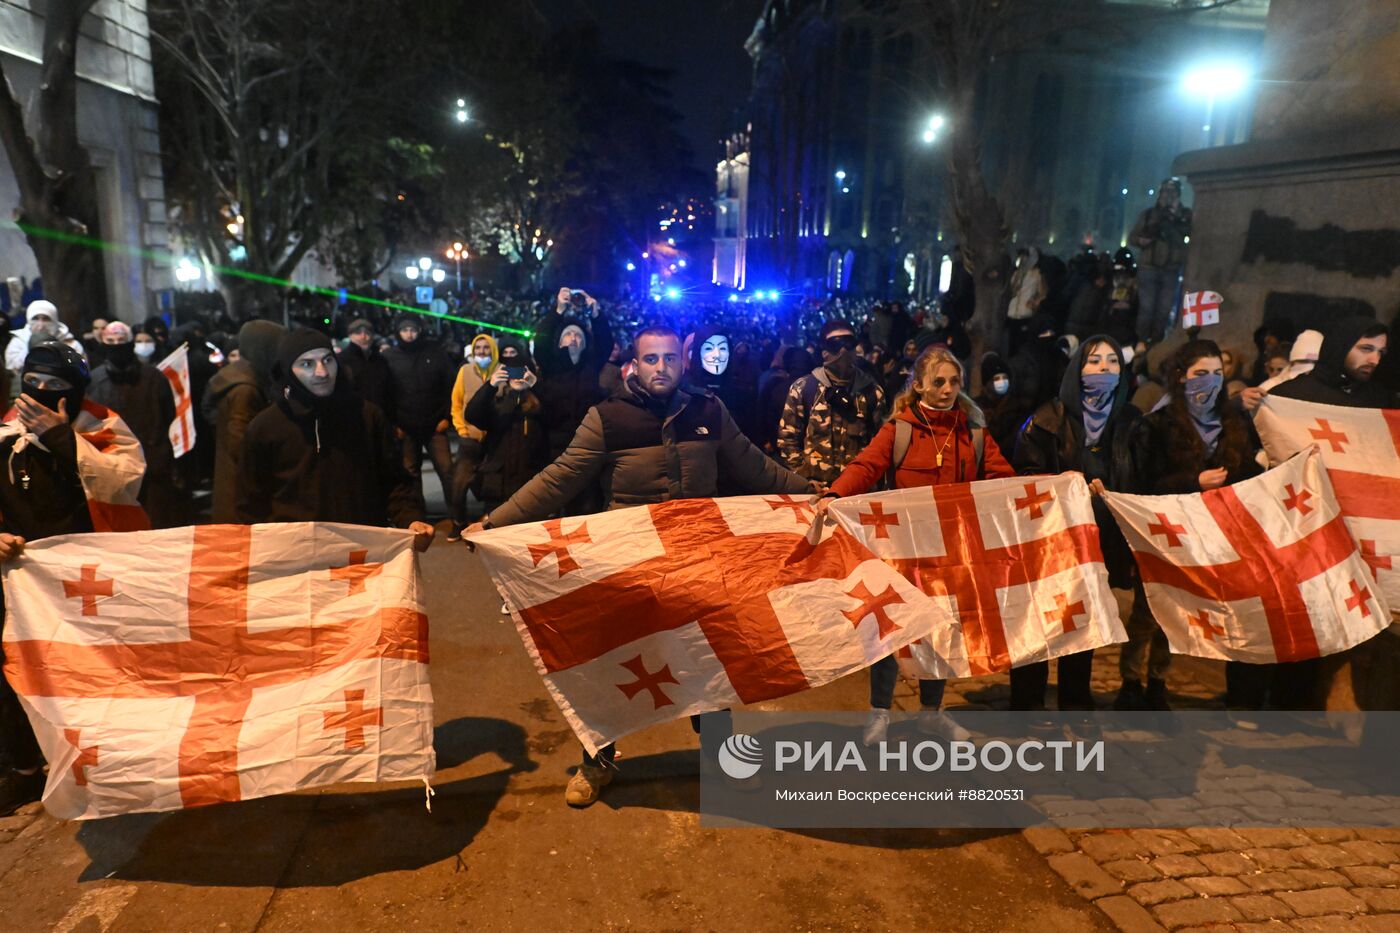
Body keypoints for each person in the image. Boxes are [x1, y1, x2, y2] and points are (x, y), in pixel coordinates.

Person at [465, 326, 816, 808]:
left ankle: (723, 760)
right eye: (651, 359)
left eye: (670, 358)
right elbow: (560, 478)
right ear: (634, 364)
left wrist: (817, 495)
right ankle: (598, 760)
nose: (662, 368)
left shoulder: (709, 410)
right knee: (610, 659)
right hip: (627, 562)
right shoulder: (606, 417)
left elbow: (756, 467)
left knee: (710, 658)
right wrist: (494, 521)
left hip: (698, 560)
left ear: (683, 361)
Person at [814, 347, 1012, 745]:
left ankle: (931, 714)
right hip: (902, 552)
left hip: (951, 554)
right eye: (938, 382)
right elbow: (866, 466)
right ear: (918, 384)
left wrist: (1052, 486)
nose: (947, 389)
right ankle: (879, 713)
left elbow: (1003, 478)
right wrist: (835, 494)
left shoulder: (972, 432)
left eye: (954, 382)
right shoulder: (900, 429)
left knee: (940, 630)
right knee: (892, 631)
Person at [0, 342, 147, 813]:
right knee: (22, 672)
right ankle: (26, 768)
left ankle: (110, 760)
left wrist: (64, 439)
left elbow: (123, 483)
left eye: (56, 386)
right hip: (20, 581)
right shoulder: (4, 432)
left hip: (88, 576)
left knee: (93, 669)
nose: (40, 393)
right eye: (33, 382)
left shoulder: (103, 426)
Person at [1012, 335, 1148, 713]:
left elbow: (1141, 478)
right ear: (1077, 370)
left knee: (1081, 622)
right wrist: (1069, 490)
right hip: (1051, 541)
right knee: (1040, 621)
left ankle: (1075, 699)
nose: (1104, 370)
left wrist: (1112, 493)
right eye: (1094, 362)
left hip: (1100, 542)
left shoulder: (1131, 423)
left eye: (1112, 362)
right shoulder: (1045, 421)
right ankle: (1027, 703)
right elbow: (1025, 480)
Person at [1130, 339, 1262, 711]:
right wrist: (1192, 483)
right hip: (1162, 530)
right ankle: (1130, 679)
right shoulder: (1158, 424)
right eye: (1200, 374)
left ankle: (1158, 681)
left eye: (1217, 374)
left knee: (1178, 614)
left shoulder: (1232, 424)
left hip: (1205, 535)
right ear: (1180, 377)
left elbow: (1244, 475)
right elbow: (1145, 483)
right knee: (1147, 611)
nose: (1209, 381)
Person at [235, 329, 434, 551]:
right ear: (288, 371)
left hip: (361, 550)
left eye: (328, 360)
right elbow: (249, 502)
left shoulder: (367, 416)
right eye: (307, 364)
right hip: (294, 556)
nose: (322, 372)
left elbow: (395, 482)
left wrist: (410, 518)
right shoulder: (266, 427)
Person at [86, 322, 180, 527]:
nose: (116, 346)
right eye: (111, 342)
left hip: (153, 462)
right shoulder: (94, 381)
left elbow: (167, 414)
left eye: (121, 341)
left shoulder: (154, 378)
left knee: (156, 523)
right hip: (112, 465)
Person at [777, 320, 885, 485]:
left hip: (857, 490)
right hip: (815, 490)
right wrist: (803, 476)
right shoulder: (804, 389)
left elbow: (881, 444)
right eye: (835, 344)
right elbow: (787, 439)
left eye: (848, 344)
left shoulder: (872, 393)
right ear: (824, 350)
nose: (842, 351)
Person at [203, 320, 285, 523]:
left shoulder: (240, 376)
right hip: (242, 491)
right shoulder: (246, 389)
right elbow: (241, 445)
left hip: (236, 484)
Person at [381, 315, 457, 524]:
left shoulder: (435, 353)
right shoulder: (389, 357)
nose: (409, 334)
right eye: (404, 329)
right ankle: (417, 517)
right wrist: (393, 424)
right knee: (410, 475)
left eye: (413, 329)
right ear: (398, 332)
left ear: (420, 330)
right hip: (405, 427)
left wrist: (447, 417)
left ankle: (457, 517)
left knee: (447, 471)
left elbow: (450, 385)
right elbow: (385, 393)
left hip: (435, 425)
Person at [463, 339, 548, 516]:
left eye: (522, 372)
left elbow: (557, 416)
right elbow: (471, 415)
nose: (518, 377)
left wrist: (536, 385)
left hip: (529, 481)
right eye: (513, 372)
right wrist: (490, 386)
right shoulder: (498, 404)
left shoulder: (540, 406)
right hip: (498, 484)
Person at [1268, 316, 1392, 408]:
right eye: (1366, 349)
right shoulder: (1288, 395)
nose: (1375, 360)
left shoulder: (1380, 400)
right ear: (1340, 348)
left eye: (1380, 352)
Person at [447, 333, 500, 539]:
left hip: (494, 441)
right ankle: (458, 522)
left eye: (486, 349)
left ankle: (490, 523)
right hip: (470, 439)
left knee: (490, 485)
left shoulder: (501, 372)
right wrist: (461, 429)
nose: (482, 352)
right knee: (459, 484)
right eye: (478, 349)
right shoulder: (465, 371)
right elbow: (456, 403)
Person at [1130, 179, 1192, 343]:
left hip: (1170, 269)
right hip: (1149, 267)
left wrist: (1175, 217)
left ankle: (1156, 343)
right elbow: (1133, 237)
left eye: (1172, 192)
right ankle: (1140, 343)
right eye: (1165, 192)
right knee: (1147, 309)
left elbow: (1190, 234)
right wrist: (1142, 241)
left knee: (1163, 310)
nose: (1168, 195)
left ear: (1178, 194)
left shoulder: (1185, 215)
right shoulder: (1149, 214)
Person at [5, 300, 83, 378]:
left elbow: (81, 373)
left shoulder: (70, 343)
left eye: (46, 319)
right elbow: (11, 370)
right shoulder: (18, 342)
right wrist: (30, 347)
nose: (41, 325)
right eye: (35, 318)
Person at [339, 318, 393, 416]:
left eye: (367, 333)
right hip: (353, 417)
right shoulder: (342, 360)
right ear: (350, 336)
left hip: (380, 416)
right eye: (358, 333)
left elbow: (388, 391)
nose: (363, 337)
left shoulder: (381, 360)